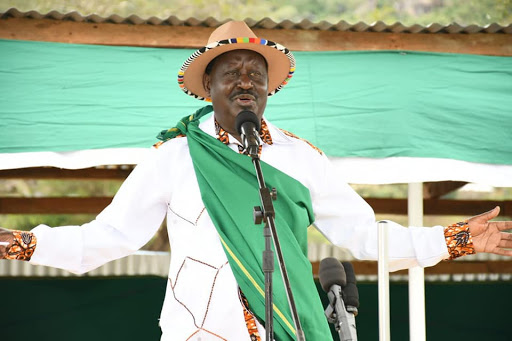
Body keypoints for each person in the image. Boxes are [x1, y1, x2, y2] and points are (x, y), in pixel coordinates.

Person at [1, 21, 511, 341]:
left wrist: (457, 238)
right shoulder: (174, 157)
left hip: (288, 327)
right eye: (232, 71)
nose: (246, 80)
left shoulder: (301, 159)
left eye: (255, 72)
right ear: (208, 87)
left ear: (267, 88)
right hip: (198, 331)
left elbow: (368, 237)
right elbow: (108, 237)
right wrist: (25, 244)